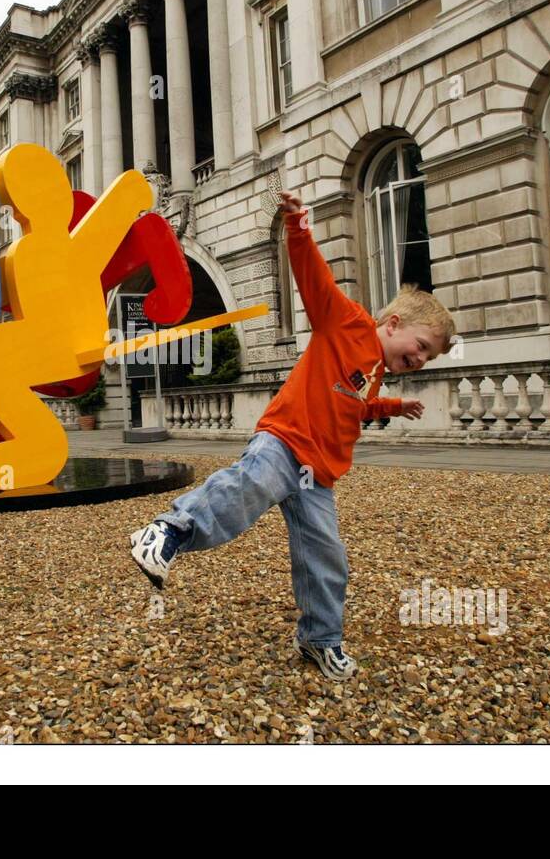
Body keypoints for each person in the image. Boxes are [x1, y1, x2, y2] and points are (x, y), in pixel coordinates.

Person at [128, 190, 457, 680]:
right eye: (422, 347)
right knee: (246, 490)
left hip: (317, 475)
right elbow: (313, 278)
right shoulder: (345, 322)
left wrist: (392, 405)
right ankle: (167, 530)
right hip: (284, 442)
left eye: (429, 358)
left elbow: (353, 405)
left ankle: (320, 640)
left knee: (326, 556)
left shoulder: (374, 366)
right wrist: (298, 226)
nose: (422, 359)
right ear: (394, 324)